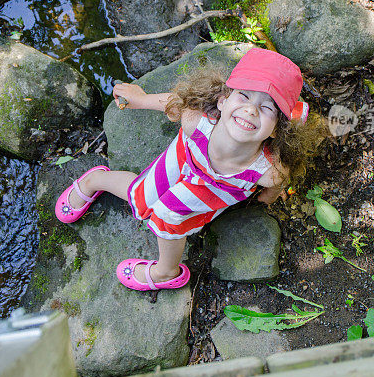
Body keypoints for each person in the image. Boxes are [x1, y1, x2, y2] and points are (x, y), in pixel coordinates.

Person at [55, 48, 321, 292]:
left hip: (214, 192)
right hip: (183, 160)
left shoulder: (267, 170)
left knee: (167, 214)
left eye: (266, 108)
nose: (251, 110)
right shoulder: (197, 120)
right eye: (244, 95)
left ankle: (166, 271)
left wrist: (269, 197)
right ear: (221, 101)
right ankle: (96, 179)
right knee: (143, 193)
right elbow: (173, 103)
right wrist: (142, 99)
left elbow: (276, 183)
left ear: (276, 129)